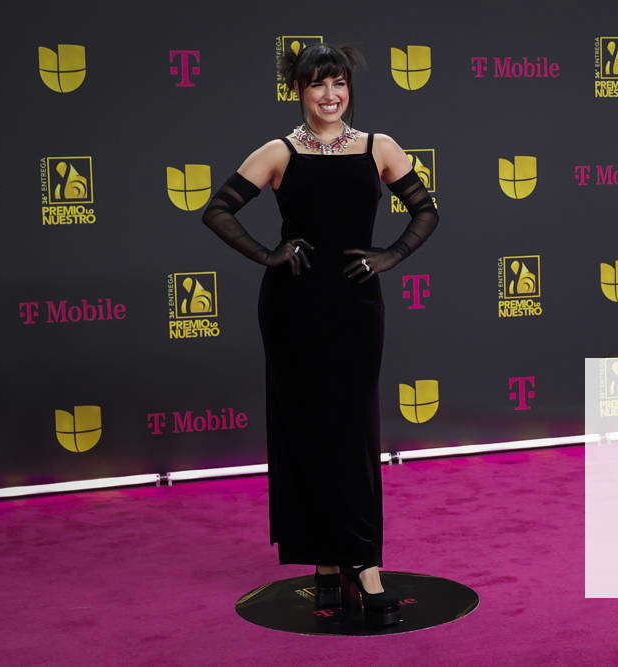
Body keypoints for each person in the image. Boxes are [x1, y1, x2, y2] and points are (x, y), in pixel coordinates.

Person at [200, 42, 439, 627]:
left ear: (349, 89)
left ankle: (364, 562)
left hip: (356, 305)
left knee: (354, 429)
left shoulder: (378, 147)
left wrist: (391, 255)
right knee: (304, 426)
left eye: (339, 84)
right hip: (294, 307)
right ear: (299, 91)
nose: (330, 96)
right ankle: (325, 564)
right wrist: (268, 254)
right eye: (317, 85)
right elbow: (218, 210)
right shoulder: (279, 152)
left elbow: (425, 210)